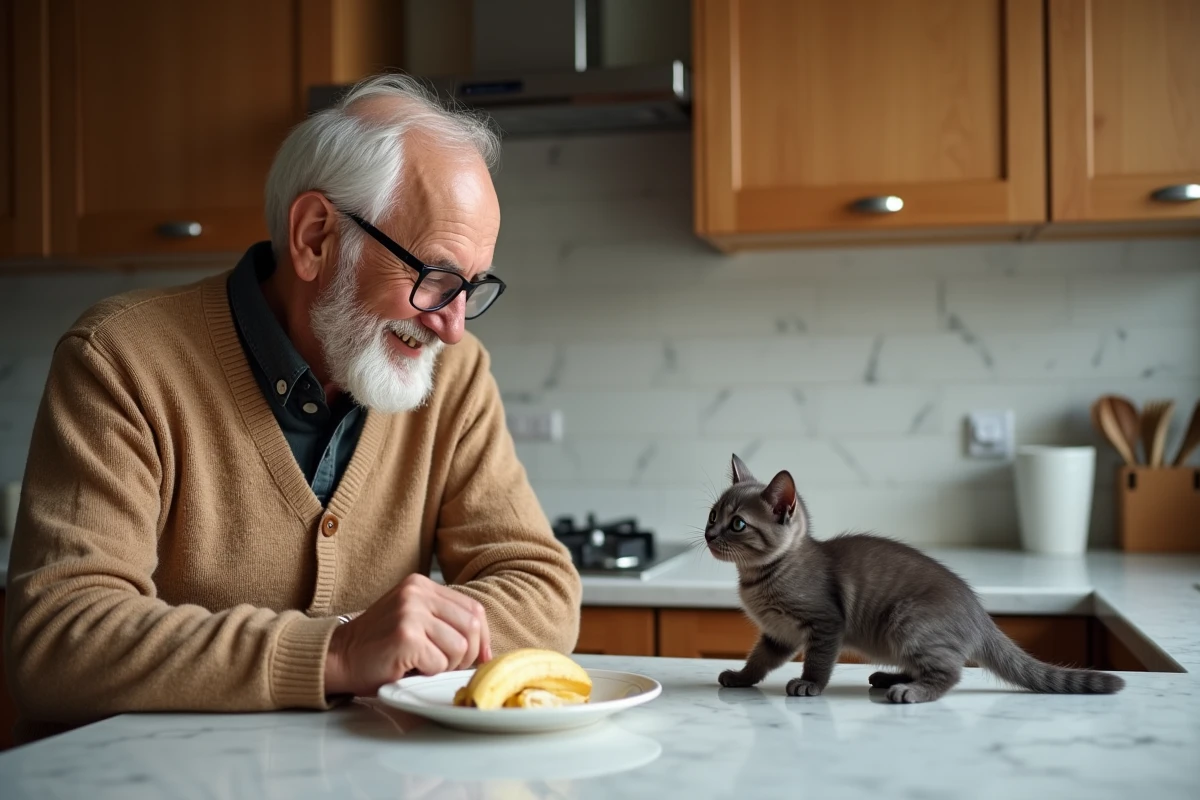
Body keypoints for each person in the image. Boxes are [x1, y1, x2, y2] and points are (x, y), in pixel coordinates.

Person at [3, 74, 581, 741]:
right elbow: (58, 640)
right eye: (435, 278)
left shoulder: (453, 375)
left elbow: (542, 589)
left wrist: (408, 638)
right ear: (313, 237)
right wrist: (337, 651)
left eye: (472, 288)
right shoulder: (120, 358)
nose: (453, 326)